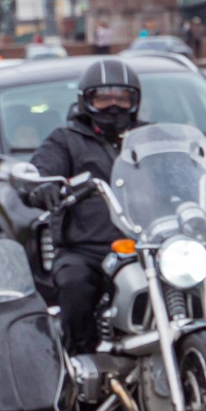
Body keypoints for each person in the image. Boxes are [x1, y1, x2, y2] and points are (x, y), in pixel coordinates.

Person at [22, 56, 139, 351]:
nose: (113, 105)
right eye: (103, 98)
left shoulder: (147, 137)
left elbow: (181, 165)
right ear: (87, 101)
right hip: (87, 248)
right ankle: (82, 363)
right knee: (75, 284)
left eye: (122, 98)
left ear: (134, 101)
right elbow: (40, 169)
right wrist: (42, 186)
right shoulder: (66, 140)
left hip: (148, 243)